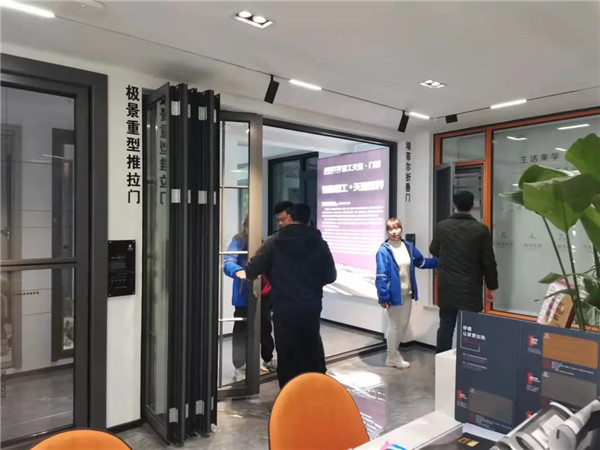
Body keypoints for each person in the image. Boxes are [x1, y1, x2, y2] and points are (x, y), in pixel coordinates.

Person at [245, 203, 336, 388]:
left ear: (291, 218)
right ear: (308, 220)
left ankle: (289, 395)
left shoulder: (274, 241)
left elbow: (253, 268)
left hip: (284, 308)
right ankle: (312, 392)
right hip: (310, 307)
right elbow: (330, 276)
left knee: (287, 355)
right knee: (311, 350)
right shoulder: (319, 243)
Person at [429, 190, 498, 354]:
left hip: (447, 286)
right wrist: (491, 287)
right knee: (469, 327)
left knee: (446, 325)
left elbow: (433, 250)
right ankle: (468, 361)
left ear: (454, 205)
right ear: (472, 205)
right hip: (470, 287)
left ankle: (441, 361)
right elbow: (488, 261)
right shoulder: (481, 230)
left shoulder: (442, 226)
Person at [376, 218, 437, 369]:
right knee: (394, 325)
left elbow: (421, 262)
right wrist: (383, 297)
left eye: (397, 228)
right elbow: (381, 276)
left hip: (407, 293)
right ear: (387, 231)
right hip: (393, 295)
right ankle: (391, 357)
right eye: (390, 229)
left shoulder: (408, 246)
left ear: (401, 229)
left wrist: (441, 261)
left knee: (403, 325)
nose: (394, 231)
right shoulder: (383, 251)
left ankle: (394, 353)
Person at [223, 217, 276, 382]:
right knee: (241, 332)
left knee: (265, 328)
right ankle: (240, 367)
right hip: (244, 296)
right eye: (249, 226)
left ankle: (268, 359)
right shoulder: (238, 242)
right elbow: (228, 261)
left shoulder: (263, 243)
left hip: (263, 294)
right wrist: (238, 271)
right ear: (245, 226)